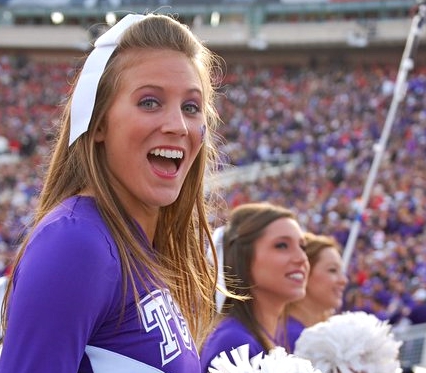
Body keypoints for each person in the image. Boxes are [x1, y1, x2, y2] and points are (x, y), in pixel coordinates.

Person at [0, 13, 224, 372]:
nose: (178, 125)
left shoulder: (137, 251)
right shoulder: (75, 243)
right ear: (98, 121)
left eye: (191, 107)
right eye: (150, 102)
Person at [200, 201, 309, 373]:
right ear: (244, 258)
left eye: (303, 247)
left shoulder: (264, 338)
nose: (302, 258)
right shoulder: (235, 345)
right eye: (282, 245)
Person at [284, 232, 348, 352]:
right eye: (332, 270)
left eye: (342, 272)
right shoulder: (293, 339)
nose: (343, 280)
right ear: (303, 272)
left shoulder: (318, 335)